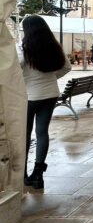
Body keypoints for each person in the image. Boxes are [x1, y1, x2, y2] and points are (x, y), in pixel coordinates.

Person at [17, 15, 71, 189]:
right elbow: (66, 67)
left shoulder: (23, 48)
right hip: (50, 94)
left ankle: (23, 174)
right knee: (42, 133)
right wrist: (49, 78)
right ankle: (38, 175)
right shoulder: (53, 46)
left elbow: (15, 66)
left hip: (29, 96)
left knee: (24, 134)